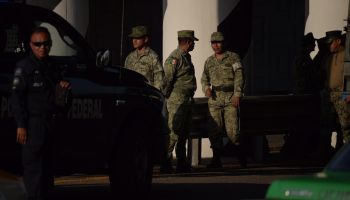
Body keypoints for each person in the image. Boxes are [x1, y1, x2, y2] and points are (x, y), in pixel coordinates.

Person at [11, 26, 70, 200]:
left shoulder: (53, 67)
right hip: (33, 126)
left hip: (51, 124)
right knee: (34, 174)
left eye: (45, 44)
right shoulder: (24, 68)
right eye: (37, 44)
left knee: (48, 174)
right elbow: (16, 99)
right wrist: (21, 125)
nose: (42, 47)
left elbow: (61, 100)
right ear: (30, 45)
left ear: (50, 44)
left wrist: (64, 92)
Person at [200, 32, 246, 168]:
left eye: (218, 42)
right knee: (214, 130)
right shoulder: (209, 61)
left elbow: (239, 76)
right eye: (213, 43)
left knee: (233, 131)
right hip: (215, 98)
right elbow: (204, 78)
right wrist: (206, 88)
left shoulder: (233, 57)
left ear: (224, 43)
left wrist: (237, 94)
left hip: (230, 97)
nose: (216, 45)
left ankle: (241, 157)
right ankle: (216, 159)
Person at [161, 30, 198, 173]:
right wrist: (168, 96)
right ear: (188, 42)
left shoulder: (186, 57)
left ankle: (182, 163)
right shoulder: (175, 58)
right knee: (173, 131)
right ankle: (166, 161)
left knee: (184, 132)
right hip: (177, 99)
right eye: (193, 42)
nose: (194, 44)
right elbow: (168, 79)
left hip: (187, 99)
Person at [318, 30, 350, 159]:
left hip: (342, 93)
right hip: (330, 94)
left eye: (331, 43)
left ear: (338, 41)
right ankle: (326, 153)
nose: (329, 46)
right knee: (327, 124)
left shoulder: (346, 56)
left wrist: (347, 93)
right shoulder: (329, 57)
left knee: (345, 124)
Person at [124, 25, 164, 90]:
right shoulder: (129, 57)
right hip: (132, 95)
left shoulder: (153, 57)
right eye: (133, 38)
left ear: (145, 39)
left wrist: (154, 96)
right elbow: (125, 78)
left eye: (137, 38)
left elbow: (159, 80)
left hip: (146, 96)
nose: (134, 41)